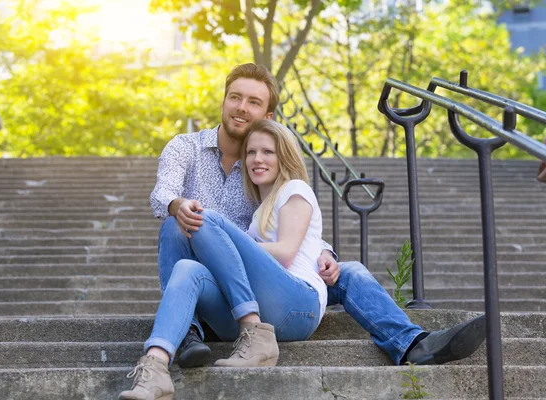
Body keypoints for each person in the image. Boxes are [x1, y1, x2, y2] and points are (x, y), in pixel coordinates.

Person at [120, 63, 486, 397]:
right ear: (224, 100)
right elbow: (164, 193)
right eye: (235, 97)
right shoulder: (187, 148)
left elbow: (291, 231)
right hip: (212, 296)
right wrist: (178, 204)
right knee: (180, 222)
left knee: (350, 271)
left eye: (253, 102)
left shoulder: (269, 183)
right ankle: (183, 336)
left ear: (268, 115)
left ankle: (412, 343)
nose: (241, 108)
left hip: (264, 288)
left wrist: (325, 253)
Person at [118, 119, 329, 399]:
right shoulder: (259, 212)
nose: (257, 159)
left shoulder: (295, 189)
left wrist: (225, 246)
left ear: (284, 156)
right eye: (251, 153)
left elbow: (288, 251)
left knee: (202, 219)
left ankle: (253, 329)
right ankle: (156, 367)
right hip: (261, 306)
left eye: (267, 152)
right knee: (186, 268)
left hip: (299, 305)